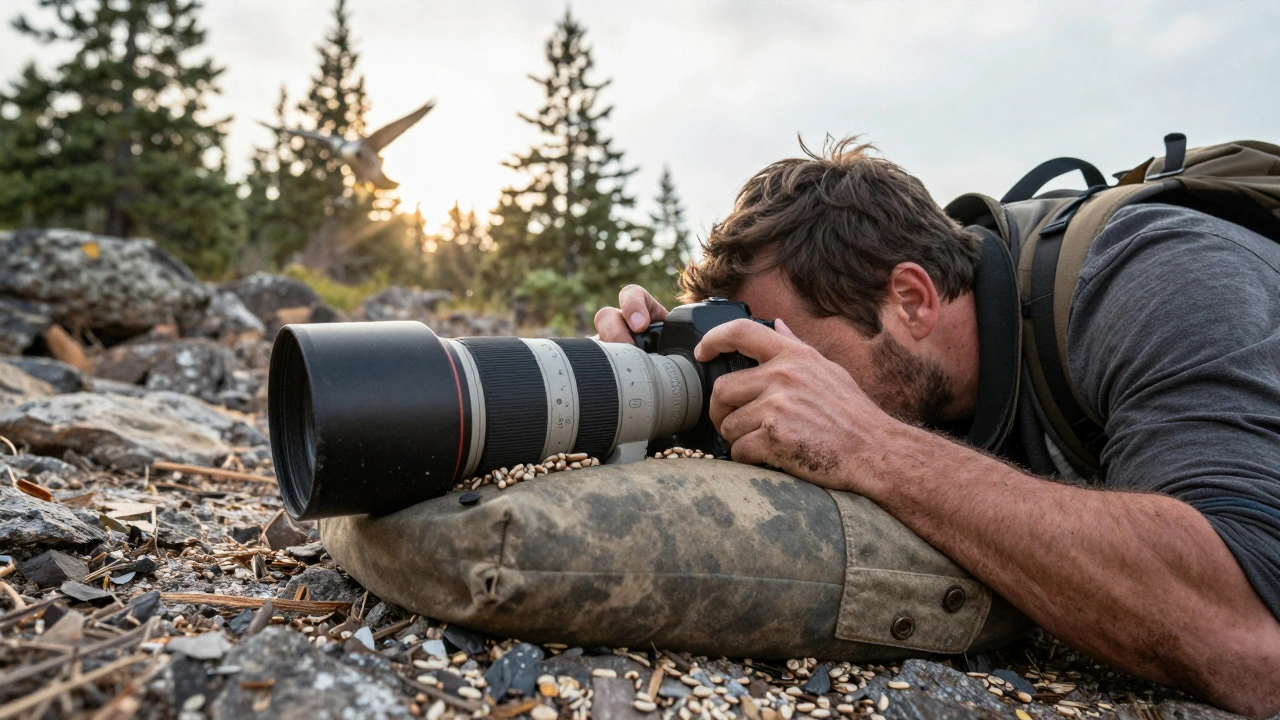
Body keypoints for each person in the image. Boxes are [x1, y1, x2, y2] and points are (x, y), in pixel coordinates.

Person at [595, 139, 1280, 717]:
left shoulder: (1158, 280)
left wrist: (873, 445)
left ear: (912, 300)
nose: (789, 385)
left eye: (806, 361)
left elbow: (1251, 642)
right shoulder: (933, 357)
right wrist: (675, 384)